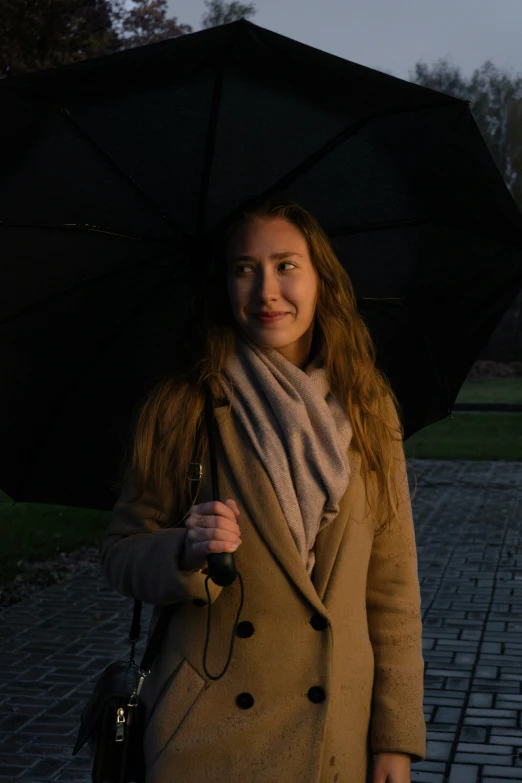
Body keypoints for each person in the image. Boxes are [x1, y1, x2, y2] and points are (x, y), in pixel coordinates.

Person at [101, 197, 426, 783]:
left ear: (321, 277)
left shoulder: (369, 409)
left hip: (334, 737)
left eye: (286, 265)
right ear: (224, 284)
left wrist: (395, 739)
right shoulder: (185, 405)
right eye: (244, 268)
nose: (266, 291)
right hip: (206, 733)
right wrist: (183, 551)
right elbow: (122, 552)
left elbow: (394, 590)